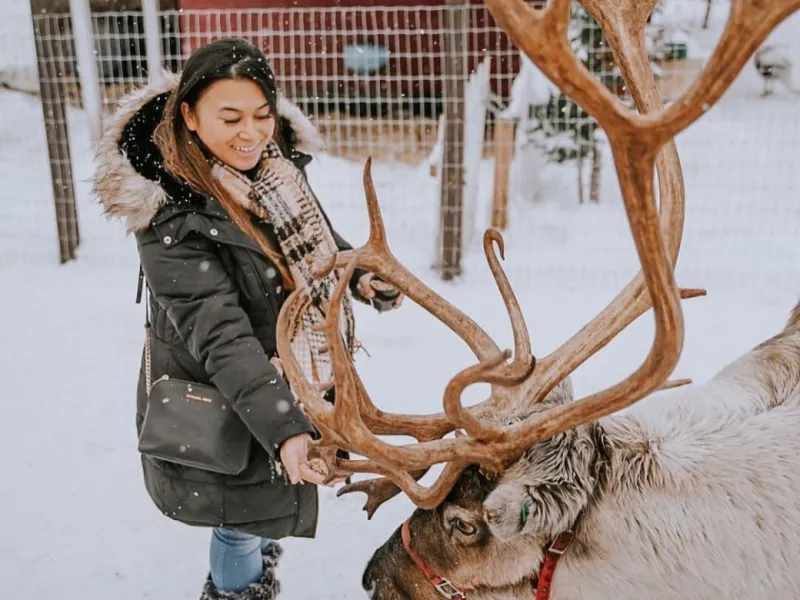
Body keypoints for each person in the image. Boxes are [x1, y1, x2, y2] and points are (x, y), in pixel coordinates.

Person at [91, 38, 403, 599]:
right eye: (229, 117)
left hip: (285, 380)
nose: (251, 132)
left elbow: (315, 242)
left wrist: (357, 275)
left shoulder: (276, 173)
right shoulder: (168, 216)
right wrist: (285, 429)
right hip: (223, 395)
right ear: (189, 115)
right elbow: (222, 337)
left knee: (259, 508)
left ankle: (260, 546)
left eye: (262, 115)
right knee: (239, 523)